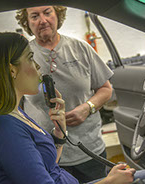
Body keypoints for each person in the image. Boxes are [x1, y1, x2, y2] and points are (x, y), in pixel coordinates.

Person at [0, 32, 145, 184]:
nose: (37, 66)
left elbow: (46, 167)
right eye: (30, 58)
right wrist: (109, 182)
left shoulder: (13, 113)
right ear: (11, 70)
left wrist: (60, 133)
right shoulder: (3, 129)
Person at [16, 5, 113, 183]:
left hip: (88, 150)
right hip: (47, 153)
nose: (43, 20)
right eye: (35, 16)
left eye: (47, 13)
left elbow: (106, 89)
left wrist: (87, 107)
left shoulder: (80, 48)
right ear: (27, 22)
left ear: (57, 14)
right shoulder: (24, 57)